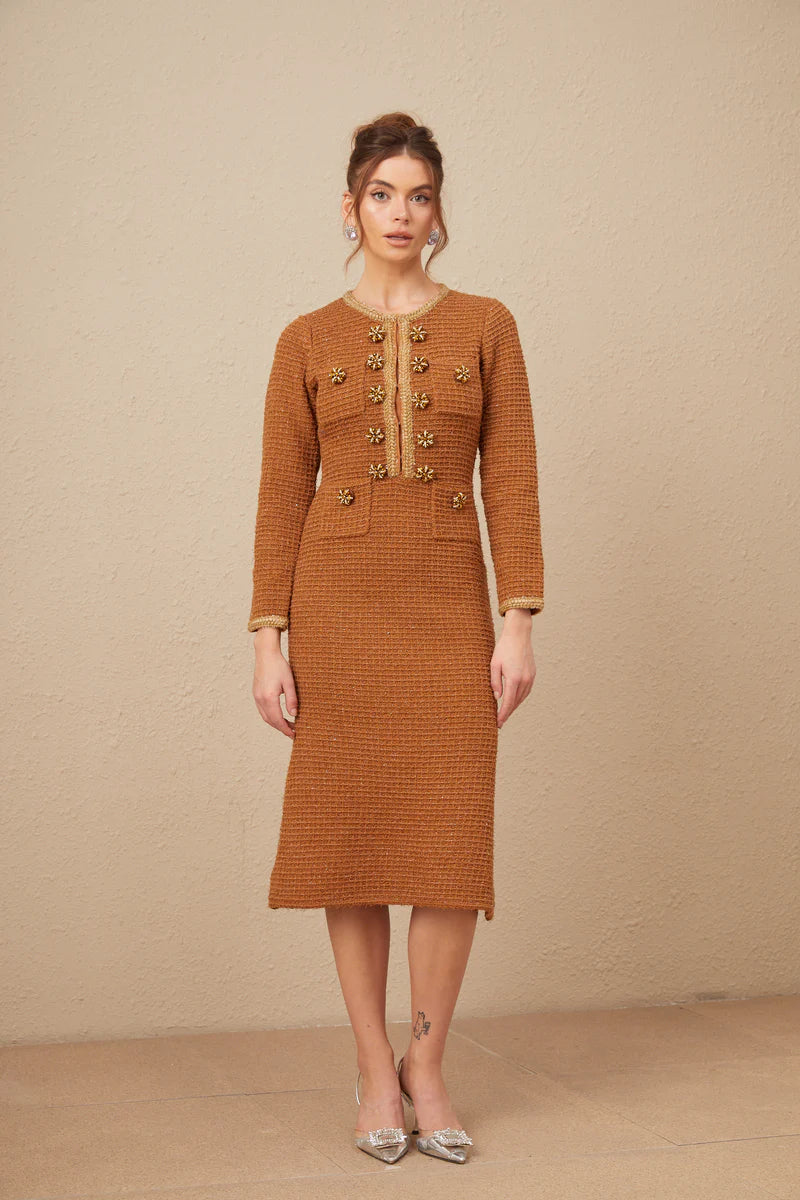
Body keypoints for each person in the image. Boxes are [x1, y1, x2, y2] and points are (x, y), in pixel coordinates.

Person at [247, 111, 544, 1165]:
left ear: (438, 210)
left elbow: (512, 480)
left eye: (418, 196)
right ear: (351, 206)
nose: (400, 213)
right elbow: (281, 495)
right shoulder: (304, 340)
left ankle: (428, 1061)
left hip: (447, 605)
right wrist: (269, 640)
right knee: (354, 841)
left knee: (448, 848)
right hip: (338, 609)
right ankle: (375, 1064)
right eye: (382, 194)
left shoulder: (488, 326)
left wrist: (516, 621)